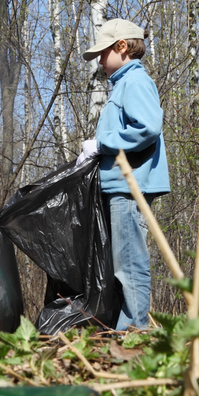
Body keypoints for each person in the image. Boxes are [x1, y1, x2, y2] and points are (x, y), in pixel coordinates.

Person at [77, 19, 170, 330]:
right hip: (121, 186)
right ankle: (127, 327)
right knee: (122, 261)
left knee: (130, 262)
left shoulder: (135, 83)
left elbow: (148, 127)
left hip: (132, 187)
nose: (100, 62)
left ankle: (133, 333)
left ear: (121, 47)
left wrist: (101, 144)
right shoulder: (124, 84)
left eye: (103, 54)